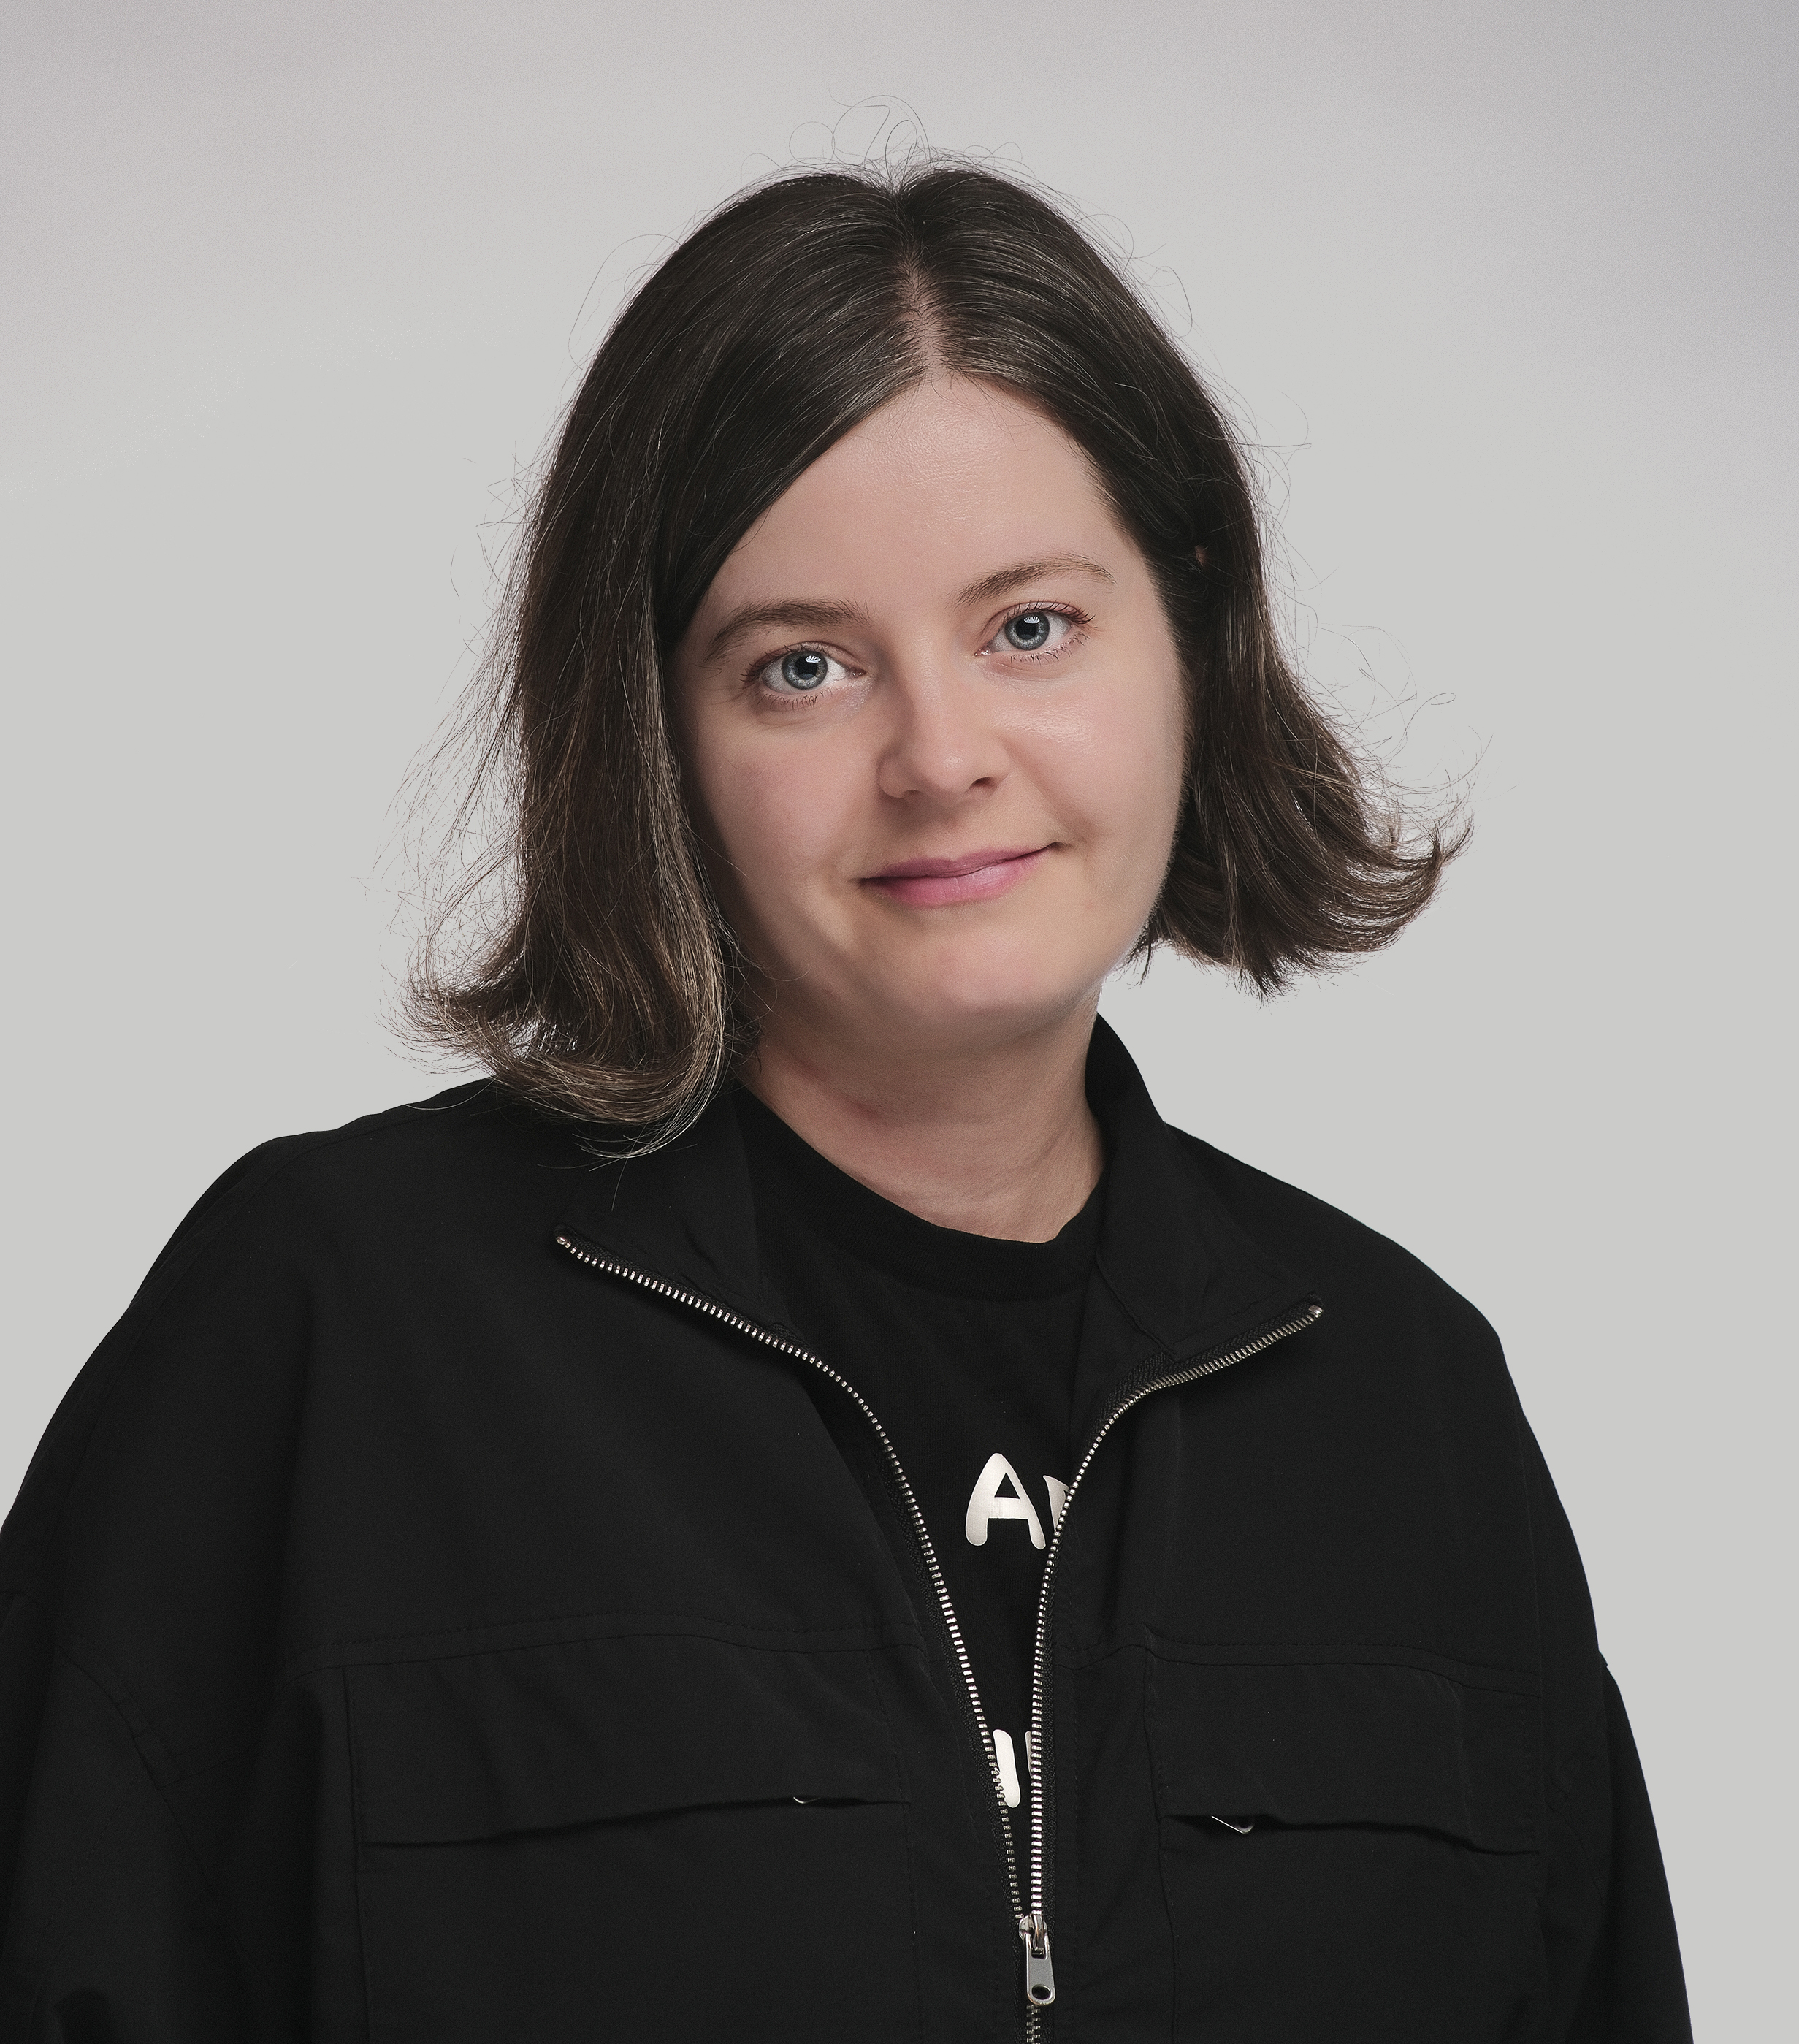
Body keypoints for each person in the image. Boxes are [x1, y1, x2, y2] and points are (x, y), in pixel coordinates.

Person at [0, 162, 1689, 2041]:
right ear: (653, 732)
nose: (938, 757)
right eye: (799, 667)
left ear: (1190, 638)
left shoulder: (1401, 1392)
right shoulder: (336, 1322)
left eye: (1028, 627)